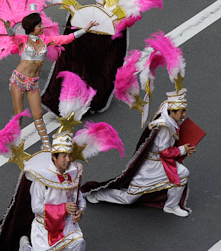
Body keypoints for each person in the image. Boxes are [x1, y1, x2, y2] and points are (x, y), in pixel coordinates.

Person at [83, 89, 196, 217]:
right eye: (182, 112)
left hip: (161, 163)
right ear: (172, 111)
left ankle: (171, 205)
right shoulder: (165, 128)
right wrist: (182, 150)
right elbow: (164, 152)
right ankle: (97, 194)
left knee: (183, 173)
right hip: (152, 167)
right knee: (129, 198)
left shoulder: (168, 110)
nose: (184, 115)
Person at [4, 12, 97, 150]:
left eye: (41, 24)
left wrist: (84, 30)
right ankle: (14, 141)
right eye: (38, 25)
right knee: (19, 113)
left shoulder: (45, 40)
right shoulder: (22, 40)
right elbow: (12, 36)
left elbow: (67, 38)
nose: (42, 27)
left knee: (38, 114)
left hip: (33, 83)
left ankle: (46, 144)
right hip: (18, 80)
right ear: (31, 27)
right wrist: (8, 28)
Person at [17, 133, 86, 251]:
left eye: (69, 155)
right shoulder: (41, 180)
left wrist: (80, 211)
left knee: (79, 241)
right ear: (54, 157)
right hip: (45, 228)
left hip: (66, 223)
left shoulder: (73, 174)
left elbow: (79, 199)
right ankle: (25, 246)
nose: (68, 159)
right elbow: (36, 207)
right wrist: (62, 208)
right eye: (63, 156)